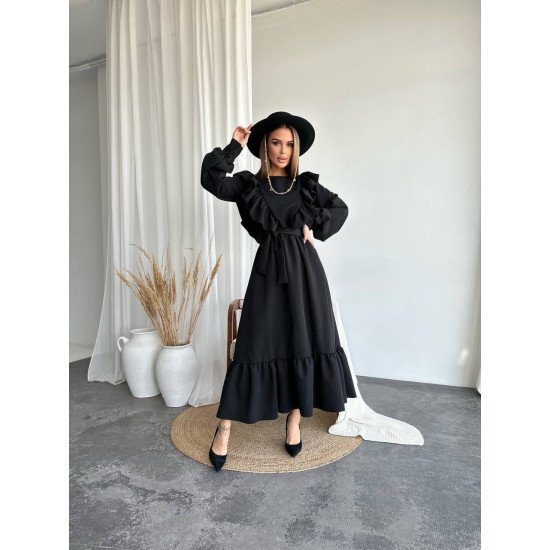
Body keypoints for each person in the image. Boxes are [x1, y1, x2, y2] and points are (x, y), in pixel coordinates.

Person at [200, 111, 357, 471]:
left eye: (289, 144)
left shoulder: (306, 186)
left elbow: (340, 209)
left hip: (306, 274)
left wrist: (315, 226)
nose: (283, 151)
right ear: (265, 146)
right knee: (254, 344)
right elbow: (212, 179)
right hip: (269, 273)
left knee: (304, 342)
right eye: (276, 142)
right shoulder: (249, 186)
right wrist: (234, 145)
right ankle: (224, 427)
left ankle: (294, 421)